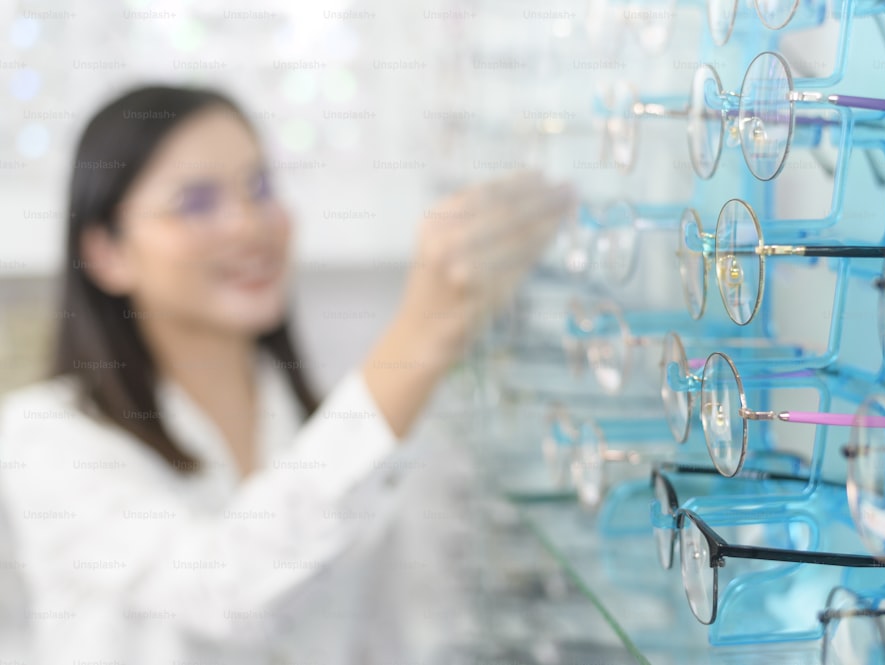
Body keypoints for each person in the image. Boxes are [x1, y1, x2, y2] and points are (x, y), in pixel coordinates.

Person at [0, 85, 575, 663]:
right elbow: (226, 590)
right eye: (196, 203)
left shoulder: (316, 425)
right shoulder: (45, 439)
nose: (249, 225)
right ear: (106, 254)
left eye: (260, 187)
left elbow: (393, 638)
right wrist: (419, 340)